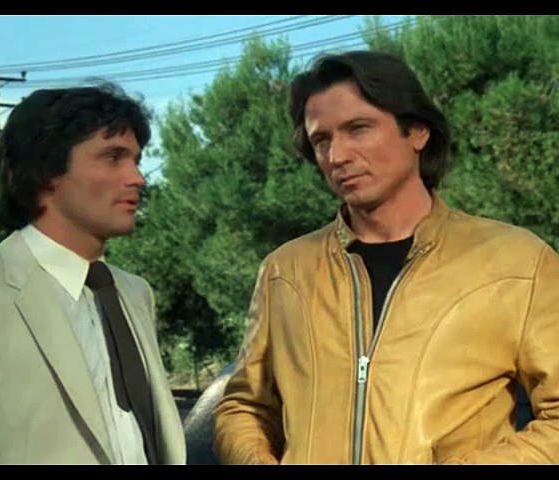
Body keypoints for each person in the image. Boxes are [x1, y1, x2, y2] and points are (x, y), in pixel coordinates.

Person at [213, 50, 559, 464]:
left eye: (358, 129)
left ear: (417, 131)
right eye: (322, 141)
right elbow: (244, 407)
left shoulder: (517, 262)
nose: (337, 156)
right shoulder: (284, 271)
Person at [0, 82, 186, 465]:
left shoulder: (134, 292)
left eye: (136, 160)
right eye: (114, 158)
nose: (137, 178)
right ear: (47, 172)